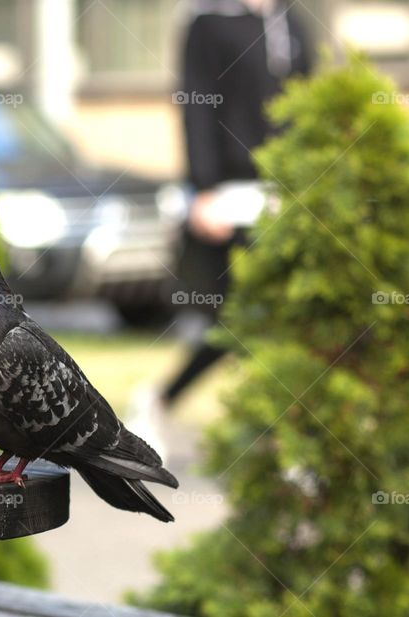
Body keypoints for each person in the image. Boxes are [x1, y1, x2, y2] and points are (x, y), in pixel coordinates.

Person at [130, 0, 313, 462]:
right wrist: (204, 188)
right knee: (241, 321)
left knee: (273, 320)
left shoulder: (291, 22)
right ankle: (160, 401)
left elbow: (308, 107)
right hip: (230, 198)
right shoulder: (209, 22)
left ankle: (283, 439)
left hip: (285, 195)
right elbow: (195, 102)